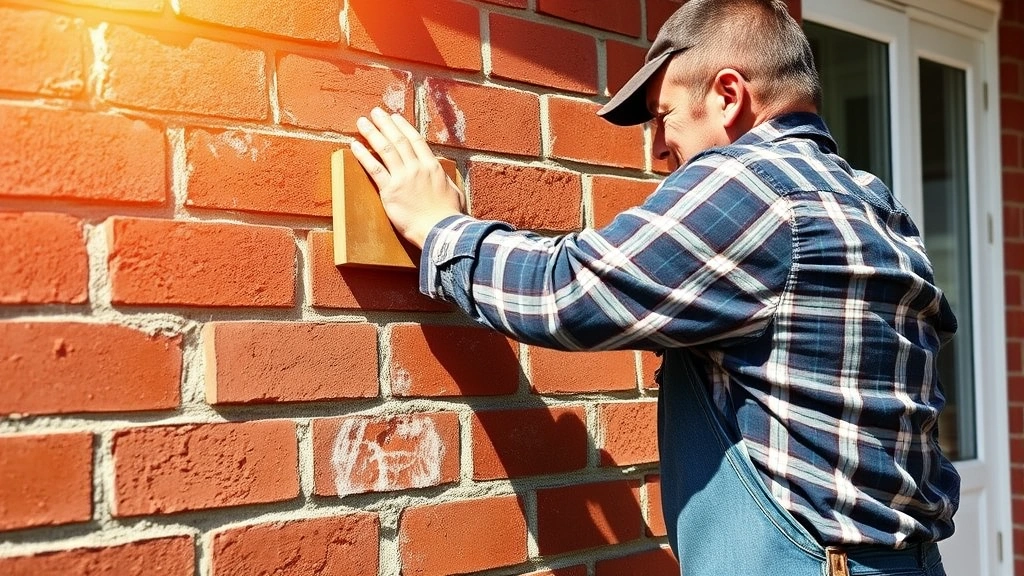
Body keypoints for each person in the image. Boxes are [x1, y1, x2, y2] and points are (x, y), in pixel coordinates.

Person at [348, 0, 960, 574]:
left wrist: (441, 229)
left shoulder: (754, 186)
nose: (659, 148)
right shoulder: (873, 202)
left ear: (728, 95)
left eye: (664, 117)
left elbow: (568, 294)